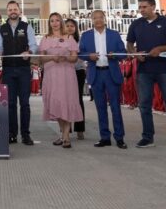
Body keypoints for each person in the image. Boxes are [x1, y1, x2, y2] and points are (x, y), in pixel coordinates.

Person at [126, 0, 166, 150]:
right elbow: (129, 44)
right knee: (144, 105)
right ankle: (147, 137)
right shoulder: (136, 24)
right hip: (143, 71)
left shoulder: (165, 22)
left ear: (153, 6)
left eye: (144, 7)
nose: (141, 10)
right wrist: (136, 54)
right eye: (140, 7)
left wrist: (160, 49)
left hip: (164, 70)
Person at [78, 9, 127, 148]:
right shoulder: (86, 36)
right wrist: (89, 56)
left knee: (116, 107)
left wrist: (115, 55)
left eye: (101, 17)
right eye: (95, 18)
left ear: (105, 19)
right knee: (100, 108)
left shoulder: (114, 34)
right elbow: (81, 54)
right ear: (91, 20)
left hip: (111, 74)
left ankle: (119, 138)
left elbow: (123, 53)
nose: (98, 20)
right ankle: (104, 137)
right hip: (96, 74)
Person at [0, 1, 38, 144]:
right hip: (7, 70)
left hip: (23, 69)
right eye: (10, 9)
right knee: (11, 104)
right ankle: (12, 134)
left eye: (15, 9)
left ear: (19, 11)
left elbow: (33, 45)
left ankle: (25, 135)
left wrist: (29, 52)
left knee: (25, 103)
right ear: (7, 12)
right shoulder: (2, 28)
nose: (13, 11)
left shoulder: (27, 27)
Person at [38, 13, 82, 147]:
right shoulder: (45, 39)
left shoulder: (69, 38)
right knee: (55, 103)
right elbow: (41, 58)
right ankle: (62, 134)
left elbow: (74, 58)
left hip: (66, 75)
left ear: (61, 22)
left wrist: (66, 58)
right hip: (51, 75)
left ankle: (66, 137)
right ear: (49, 23)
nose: (55, 23)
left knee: (66, 102)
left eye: (57, 20)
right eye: (52, 21)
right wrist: (52, 58)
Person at [64, 18, 86, 140]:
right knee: (65, 100)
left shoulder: (81, 41)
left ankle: (80, 129)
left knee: (78, 100)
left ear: (76, 28)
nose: (70, 28)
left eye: (72, 26)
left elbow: (82, 56)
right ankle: (67, 129)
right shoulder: (61, 40)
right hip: (65, 72)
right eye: (67, 25)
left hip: (78, 71)